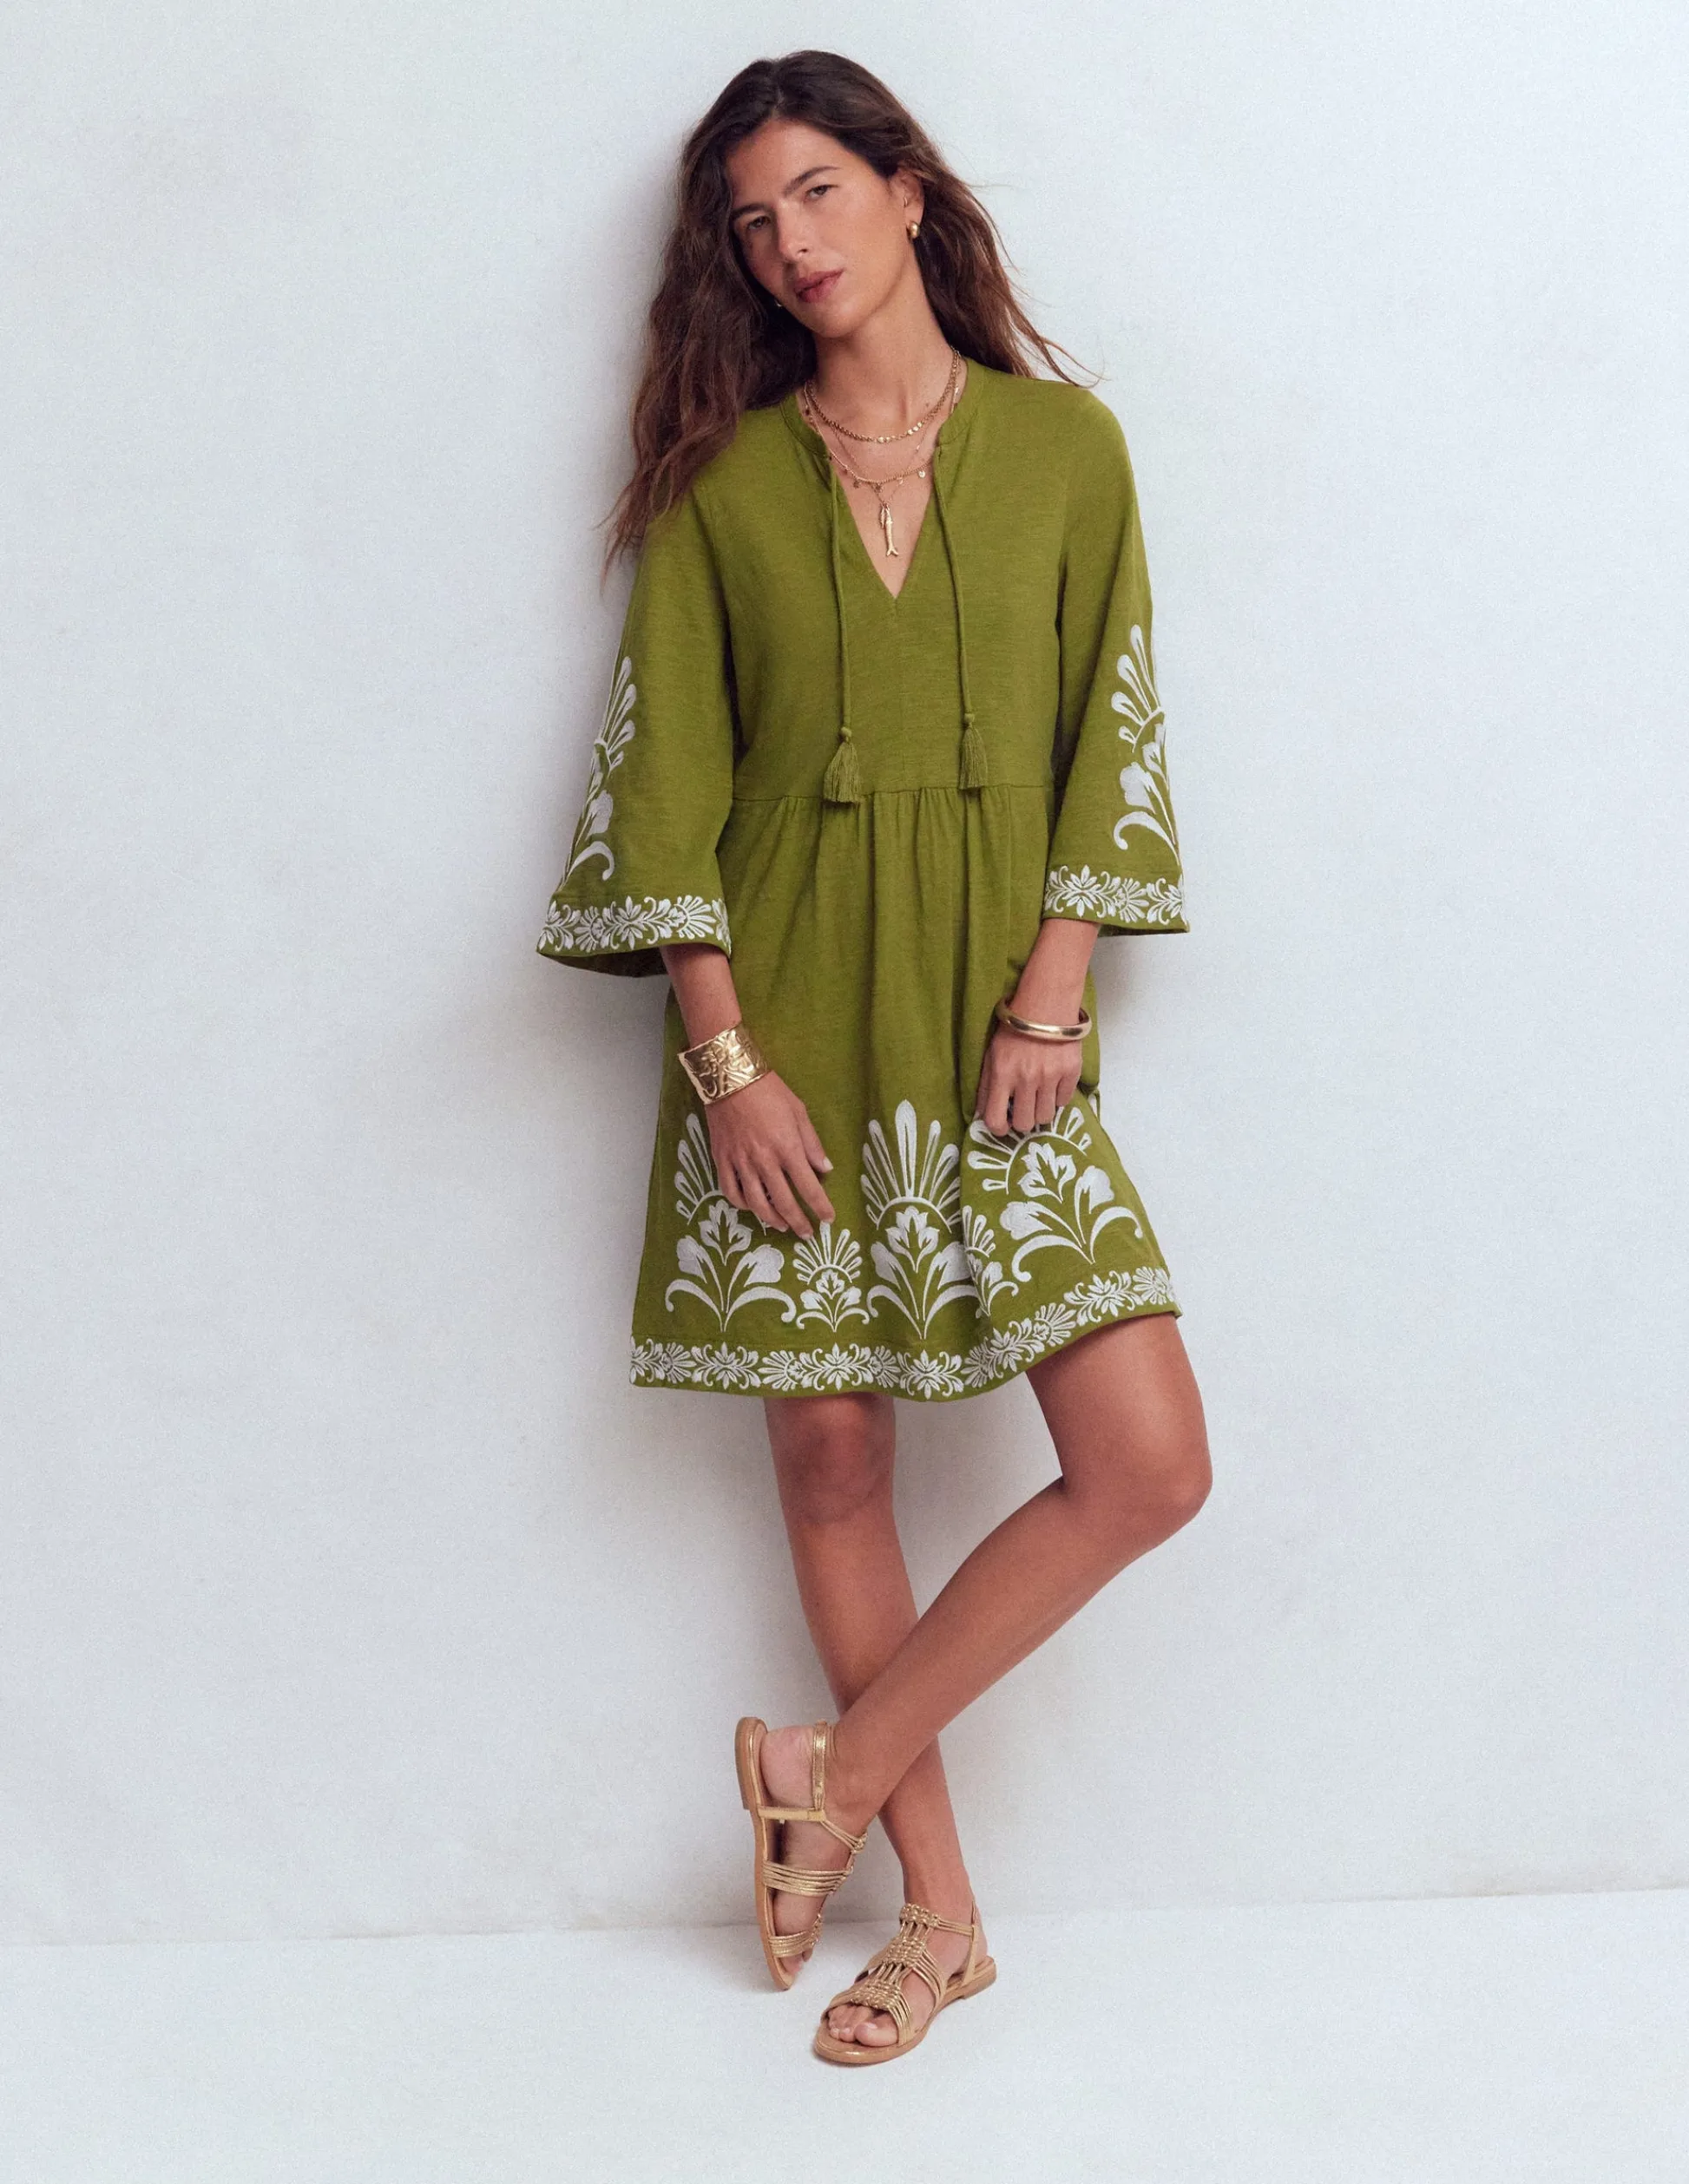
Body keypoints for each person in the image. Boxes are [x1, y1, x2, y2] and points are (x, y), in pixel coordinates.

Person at [537, 49, 1211, 2066]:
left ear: (909, 191)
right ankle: (936, 1922)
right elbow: (666, 797)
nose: (789, 242)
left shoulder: (1067, 451)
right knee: (832, 1454)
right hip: (784, 1030)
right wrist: (726, 1067)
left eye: (818, 191)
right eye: (752, 222)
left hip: (999, 1024)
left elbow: (1111, 726)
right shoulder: (721, 488)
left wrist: (1053, 991)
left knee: (1148, 1463)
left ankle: (818, 1773)